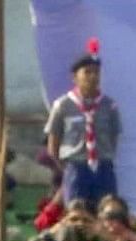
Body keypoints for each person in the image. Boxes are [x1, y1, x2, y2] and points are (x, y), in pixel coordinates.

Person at [45, 55, 123, 212]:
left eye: (96, 72)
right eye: (87, 72)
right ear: (75, 77)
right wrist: (66, 168)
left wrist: (103, 156)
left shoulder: (109, 106)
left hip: (103, 168)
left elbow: (114, 137)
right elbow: (53, 143)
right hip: (76, 167)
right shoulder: (62, 106)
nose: (93, 76)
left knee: (107, 212)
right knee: (76, 213)